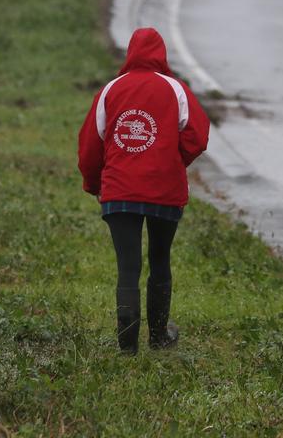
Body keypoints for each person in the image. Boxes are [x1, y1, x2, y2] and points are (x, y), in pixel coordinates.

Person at [77, 28, 210, 355]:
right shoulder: (176, 90)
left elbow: (90, 146)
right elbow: (199, 136)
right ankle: (159, 336)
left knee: (128, 266)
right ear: (161, 55)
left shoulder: (111, 90)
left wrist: (95, 185)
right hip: (165, 190)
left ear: (130, 54)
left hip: (120, 192)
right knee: (160, 258)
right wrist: (174, 161)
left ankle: (127, 346)